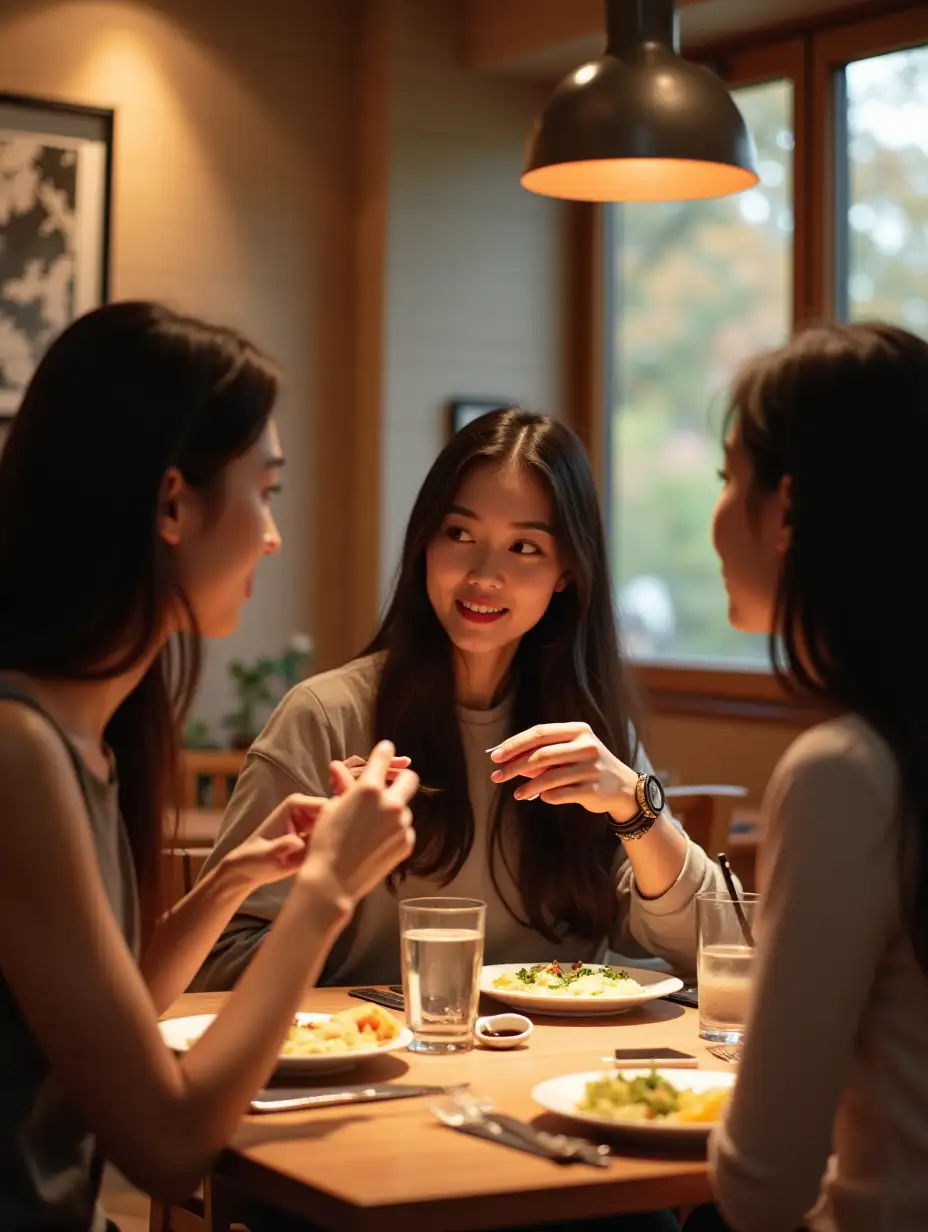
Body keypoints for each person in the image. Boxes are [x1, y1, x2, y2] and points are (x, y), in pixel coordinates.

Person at [0, 301, 418, 1230]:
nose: (272, 535)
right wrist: (326, 896)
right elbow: (166, 1142)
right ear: (173, 504)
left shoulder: (79, 739)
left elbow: (113, 1028)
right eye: (265, 491)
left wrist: (238, 877)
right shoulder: (20, 748)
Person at [194, 408, 732, 993]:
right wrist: (333, 881)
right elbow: (218, 965)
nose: (484, 574)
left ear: (566, 574)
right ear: (425, 542)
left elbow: (713, 947)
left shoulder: (589, 730)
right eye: (460, 535)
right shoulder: (325, 717)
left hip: (552, 1068)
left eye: (524, 547)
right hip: (376, 1065)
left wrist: (635, 807)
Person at [687, 323, 928, 1232]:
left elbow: (762, 1185)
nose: (716, 513)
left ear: (786, 512)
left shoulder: (846, 774)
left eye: (724, 480)